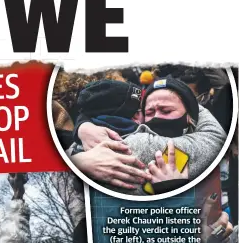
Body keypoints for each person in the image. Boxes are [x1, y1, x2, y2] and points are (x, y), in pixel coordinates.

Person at [68, 78, 227, 194]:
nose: (155, 116)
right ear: (136, 118)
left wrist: (83, 124)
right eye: (148, 111)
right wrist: (174, 92)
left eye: (166, 111)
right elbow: (214, 137)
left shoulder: (79, 149)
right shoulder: (141, 145)